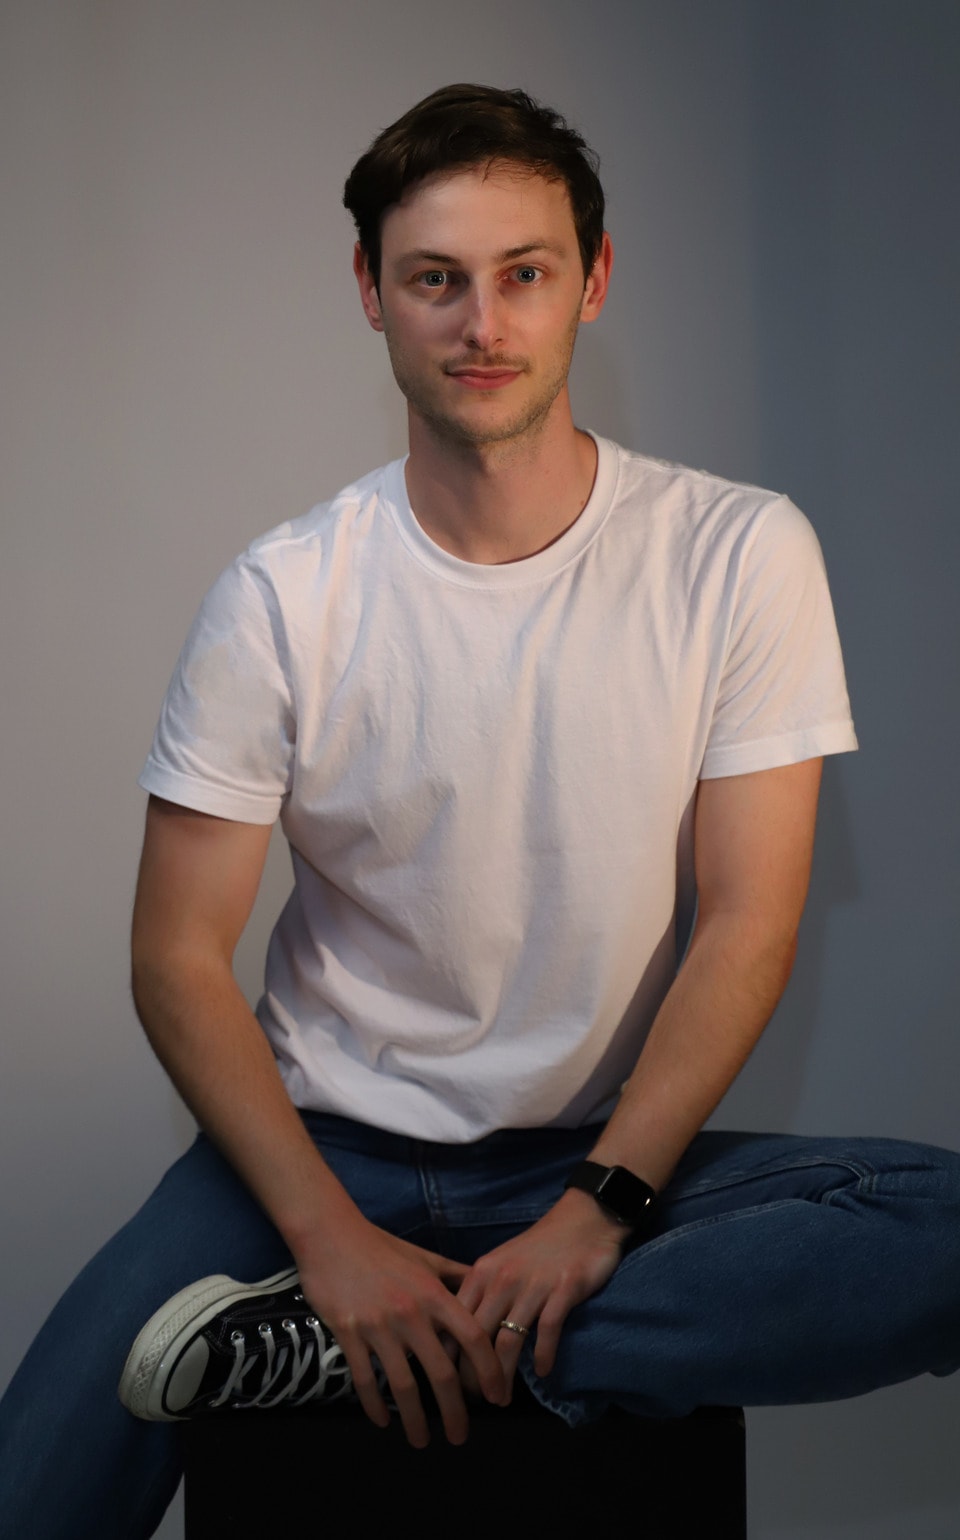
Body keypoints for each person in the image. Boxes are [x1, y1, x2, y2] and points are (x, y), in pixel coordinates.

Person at [1, 82, 958, 1540]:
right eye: (435, 279)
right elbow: (177, 956)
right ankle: (349, 1317)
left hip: (598, 1155)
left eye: (525, 274)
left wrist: (595, 1212)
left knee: (941, 1234)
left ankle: (361, 1358)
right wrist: (326, 1240)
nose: (483, 322)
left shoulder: (736, 553)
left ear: (594, 280)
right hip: (319, 1161)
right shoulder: (285, 594)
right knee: (38, 1488)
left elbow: (749, 921)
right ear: (372, 296)